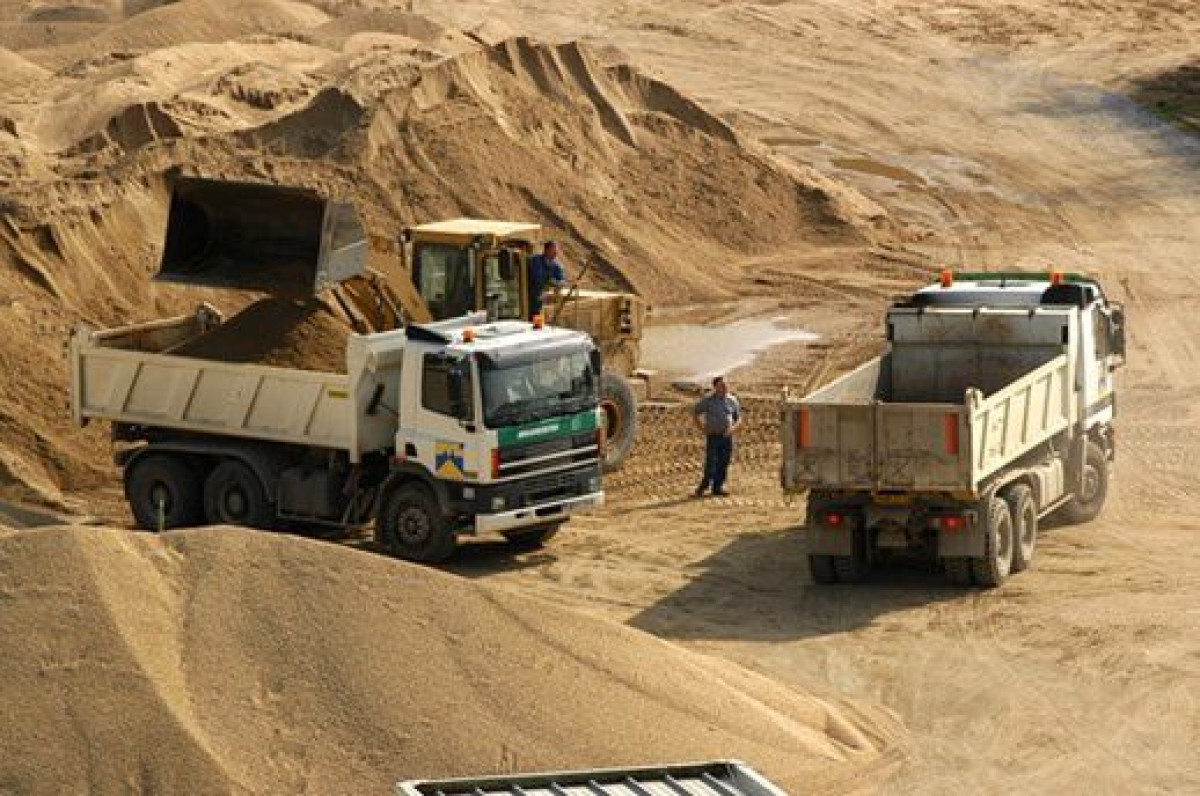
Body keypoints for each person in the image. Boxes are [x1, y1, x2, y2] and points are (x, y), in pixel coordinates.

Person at [692, 375, 742, 497]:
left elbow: (738, 418)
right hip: (713, 436)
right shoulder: (708, 401)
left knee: (724, 462)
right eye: (721, 386)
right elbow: (695, 412)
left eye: (725, 385)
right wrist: (702, 428)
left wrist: (732, 429)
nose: (725, 388)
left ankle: (717, 487)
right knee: (711, 463)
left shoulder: (732, 400)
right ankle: (703, 486)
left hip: (727, 437)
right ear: (715, 387)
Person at [528, 240, 568, 319]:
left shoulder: (556, 266)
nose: (556, 252)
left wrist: (556, 284)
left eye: (556, 250)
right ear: (546, 250)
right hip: (528, 297)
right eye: (553, 249)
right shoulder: (535, 260)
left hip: (540, 301)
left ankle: (537, 329)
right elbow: (533, 276)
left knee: (537, 322)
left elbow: (562, 281)